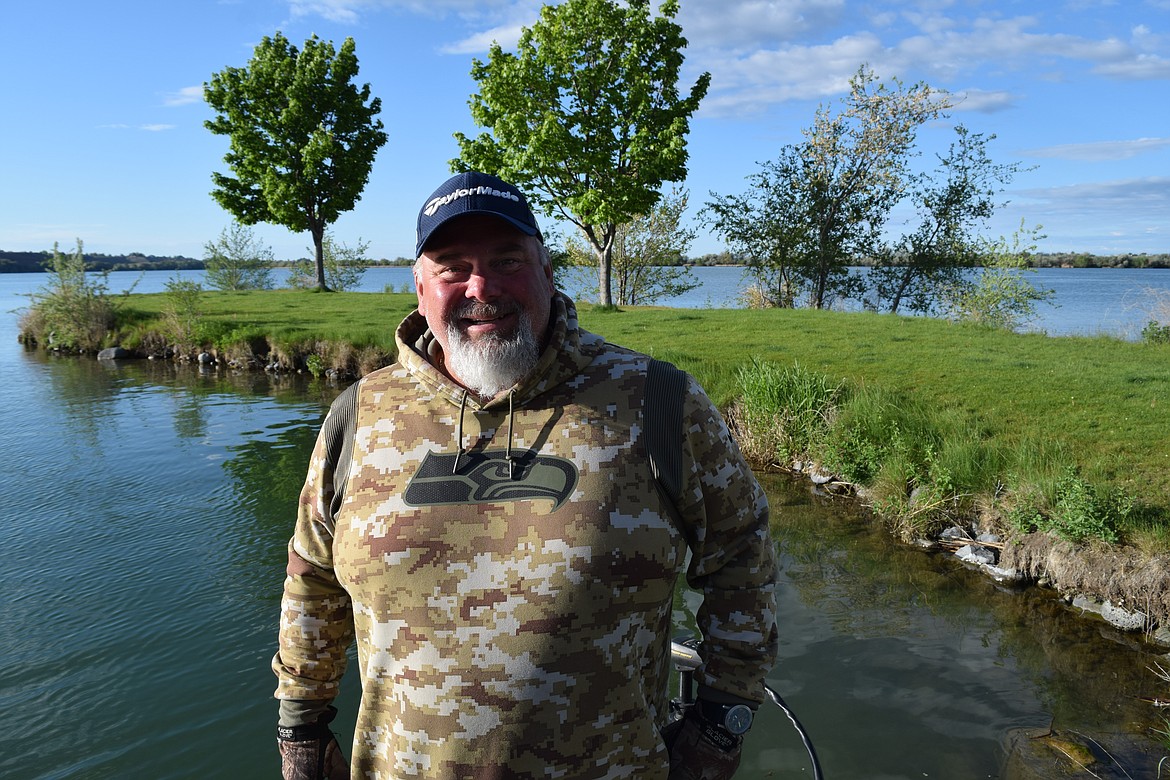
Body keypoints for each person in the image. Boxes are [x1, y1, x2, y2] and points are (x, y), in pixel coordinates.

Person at [272, 171, 778, 780]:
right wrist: (300, 722)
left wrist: (722, 721)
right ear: (419, 285)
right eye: (452, 267)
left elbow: (741, 551)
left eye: (507, 260)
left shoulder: (657, 400)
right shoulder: (359, 415)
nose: (481, 287)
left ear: (547, 271)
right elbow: (313, 578)